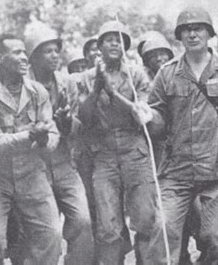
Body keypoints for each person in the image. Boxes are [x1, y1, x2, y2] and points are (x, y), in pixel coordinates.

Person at [148, 6, 218, 264]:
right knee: (163, 232)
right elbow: (157, 118)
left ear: (209, 34)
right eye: (186, 30)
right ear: (179, 36)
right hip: (177, 168)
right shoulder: (167, 72)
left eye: (198, 29)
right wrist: (148, 117)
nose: (192, 34)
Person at [0, 34, 62, 265]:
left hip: (33, 175)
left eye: (24, 52)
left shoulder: (37, 91)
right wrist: (29, 135)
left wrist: (44, 142)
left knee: (51, 234)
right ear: (0, 58)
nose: (24, 58)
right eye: (17, 52)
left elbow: (51, 131)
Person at [78, 20, 165, 264]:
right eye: (109, 39)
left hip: (135, 152)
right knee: (108, 227)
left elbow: (142, 113)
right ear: (100, 45)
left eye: (120, 39)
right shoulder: (86, 77)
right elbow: (83, 118)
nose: (114, 43)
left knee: (146, 219)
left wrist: (113, 93)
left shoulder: (137, 74)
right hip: (103, 155)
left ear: (125, 46)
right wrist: (97, 88)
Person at [26, 26, 94, 265]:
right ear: (33, 56)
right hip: (35, 167)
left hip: (65, 163)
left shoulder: (67, 83)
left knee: (83, 221)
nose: (55, 55)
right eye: (47, 51)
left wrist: (66, 122)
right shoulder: (23, 85)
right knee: (47, 231)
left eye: (56, 50)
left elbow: (76, 127)